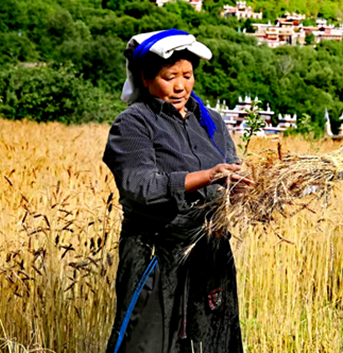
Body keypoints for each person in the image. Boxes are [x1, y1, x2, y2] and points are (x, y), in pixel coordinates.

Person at [103, 29, 252, 353]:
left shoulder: (210, 121)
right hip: (156, 256)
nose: (181, 86)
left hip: (210, 256)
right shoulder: (133, 124)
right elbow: (140, 186)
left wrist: (254, 186)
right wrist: (207, 175)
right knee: (150, 344)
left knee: (211, 343)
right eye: (169, 77)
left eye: (187, 75)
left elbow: (228, 174)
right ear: (145, 78)